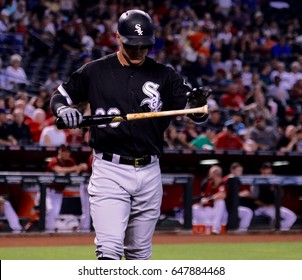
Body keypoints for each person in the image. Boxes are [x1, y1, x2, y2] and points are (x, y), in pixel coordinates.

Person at [50, 9, 210, 260]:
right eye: (132, 45)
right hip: (110, 170)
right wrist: (63, 109)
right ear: (118, 38)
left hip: (150, 171)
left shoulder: (165, 74)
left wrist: (198, 106)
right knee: (109, 249)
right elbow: (59, 96)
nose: (138, 51)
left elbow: (194, 111)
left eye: (143, 46)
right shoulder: (95, 71)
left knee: (139, 254)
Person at [45, 145, 88, 231]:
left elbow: (77, 170)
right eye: (64, 152)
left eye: (68, 152)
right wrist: (74, 168)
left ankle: (49, 232)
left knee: (54, 214)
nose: (66, 154)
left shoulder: (70, 161)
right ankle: (46, 232)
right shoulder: (53, 160)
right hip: (47, 192)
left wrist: (81, 167)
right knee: (50, 211)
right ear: (59, 152)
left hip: (59, 193)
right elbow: (59, 170)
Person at [252, 162, 297, 231]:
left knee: (292, 216)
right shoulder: (256, 182)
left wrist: (277, 187)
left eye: (268, 169)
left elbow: (281, 195)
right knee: (275, 216)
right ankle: (274, 233)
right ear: (261, 170)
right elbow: (254, 200)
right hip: (261, 208)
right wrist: (266, 205)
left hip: (274, 207)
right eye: (265, 169)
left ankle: (280, 232)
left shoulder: (274, 180)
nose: (267, 171)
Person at [192, 165, 228, 234]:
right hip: (208, 210)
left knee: (220, 202)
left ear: (215, 173)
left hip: (220, 213)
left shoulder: (223, 183)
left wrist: (209, 199)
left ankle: (216, 229)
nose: (209, 175)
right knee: (195, 207)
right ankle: (196, 229)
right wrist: (201, 202)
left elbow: (222, 195)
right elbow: (202, 196)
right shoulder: (208, 183)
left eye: (210, 173)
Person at [225, 162, 254, 232]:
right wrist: (239, 194)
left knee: (247, 212)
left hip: (236, 206)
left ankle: (241, 231)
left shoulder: (241, 180)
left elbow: (248, 193)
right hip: (225, 207)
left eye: (241, 171)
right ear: (232, 170)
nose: (240, 173)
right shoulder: (226, 179)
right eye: (238, 171)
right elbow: (225, 194)